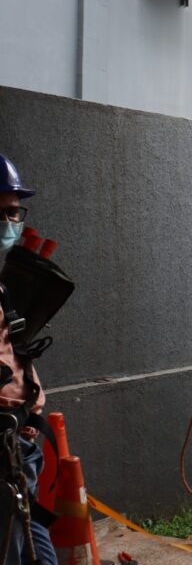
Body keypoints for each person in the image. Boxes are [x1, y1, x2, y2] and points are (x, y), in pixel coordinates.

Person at [0, 155, 56, 565]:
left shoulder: (4, 284)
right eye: (2, 212)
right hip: (4, 444)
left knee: (30, 533)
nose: (9, 222)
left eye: (13, 212)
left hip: (20, 441)